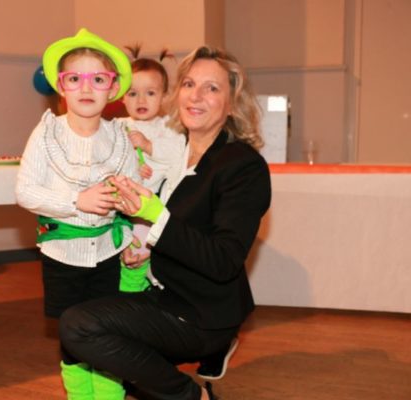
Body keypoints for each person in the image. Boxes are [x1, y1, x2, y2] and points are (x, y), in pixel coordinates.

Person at [59, 46, 271, 400]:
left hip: (199, 314)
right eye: (189, 84)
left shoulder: (243, 166)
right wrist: (141, 235)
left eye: (212, 88)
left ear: (232, 104)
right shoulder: (175, 153)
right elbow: (169, 226)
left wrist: (155, 215)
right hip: (160, 292)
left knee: (80, 328)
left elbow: (222, 259)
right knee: (78, 326)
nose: (196, 96)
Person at [15, 28, 140, 399]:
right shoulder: (46, 135)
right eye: (75, 79)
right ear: (60, 85)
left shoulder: (119, 137)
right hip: (62, 256)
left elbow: (135, 197)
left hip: (109, 254)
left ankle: (109, 395)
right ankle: (81, 396)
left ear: (112, 88)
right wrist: (75, 201)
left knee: (109, 331)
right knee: (73, 334)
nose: (87, 88)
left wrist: (136, 237)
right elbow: (25, 191)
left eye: (98, 79)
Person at [118, 45, 186, 293]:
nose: (141, 100)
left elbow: (177, 155)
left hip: (151, 206)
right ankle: (123, 298)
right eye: (133, 93)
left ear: (165, 96)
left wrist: (148, 146)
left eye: (150, 93)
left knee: (140, 255)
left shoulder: (169, 127)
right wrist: (133, 165)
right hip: (119, 206)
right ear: (122, 96)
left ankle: (137, 295)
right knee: (120, 255)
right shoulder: (118, 126)